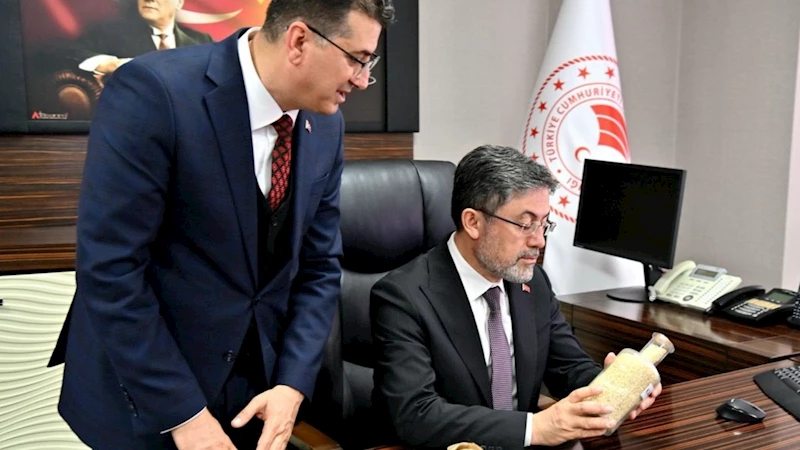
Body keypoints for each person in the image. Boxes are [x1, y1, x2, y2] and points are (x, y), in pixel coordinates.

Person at [48, 1, 394, 449]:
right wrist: (184, 415)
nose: (363, 80)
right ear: (299, 41)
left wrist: (291, 384)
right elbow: (111, 270)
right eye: (357, 59)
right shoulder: (154, 92)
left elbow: (319, 266)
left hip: (253, 397)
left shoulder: (326, 126)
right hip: (146, 396)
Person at [371, 145, 661, 449]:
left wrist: (613, 388)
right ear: (473, 222)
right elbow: (415, 414)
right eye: (525, 224)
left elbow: (567, 367)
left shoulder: (533, 282)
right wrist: (535, 428)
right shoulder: (402, 297)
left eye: (544, 223)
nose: (539, 241)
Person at [73, 0, 213, 80]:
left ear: (179, 2)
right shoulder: (110, 33)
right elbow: (71, 53)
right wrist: (109, 64)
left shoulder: (202, 41)